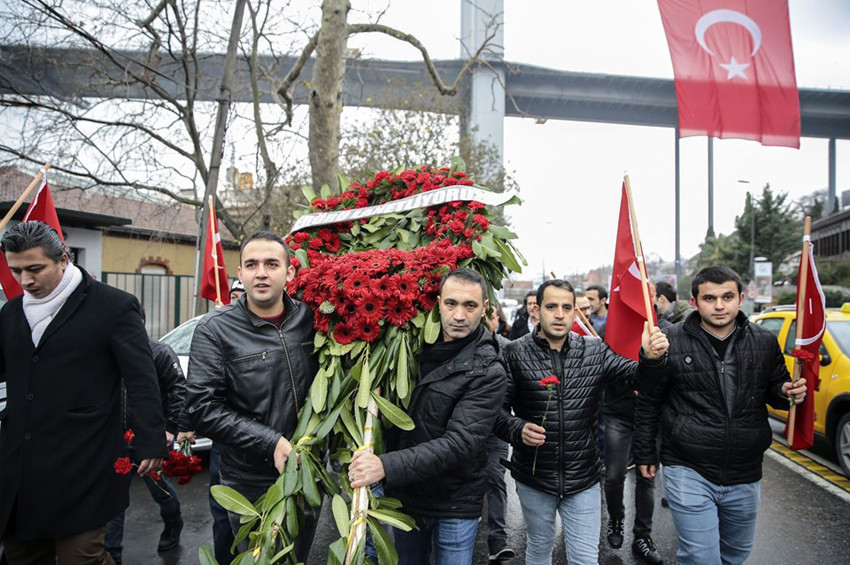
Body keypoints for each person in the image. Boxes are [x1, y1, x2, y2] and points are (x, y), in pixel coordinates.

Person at [0, 221, 166, 564]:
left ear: (63, 259)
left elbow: (141, 378)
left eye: (35, 268)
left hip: (84, 459)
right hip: (22, 463)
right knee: (22, 556)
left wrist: (151, 439)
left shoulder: (114, 307)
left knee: (82, 557)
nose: (25, 280)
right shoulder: (11, 312)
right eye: (15, 270)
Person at [635, 266, 807, 565]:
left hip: (746, 469)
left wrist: (788, 392)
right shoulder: (668, 340)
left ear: (740, 298)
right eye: (709, 298)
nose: (719, 305)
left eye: (727, 297)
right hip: (688, 466)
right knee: (701, 557)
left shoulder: (764, 340)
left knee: (735, 554)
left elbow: (774, 392)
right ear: (694, 302)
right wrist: (645, 452)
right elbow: (648, 397)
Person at [495, 279, 668, 565]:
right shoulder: (514, 353)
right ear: (537, 310)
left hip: (584, 479)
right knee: (539, 547)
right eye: (552, 307)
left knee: (585, 558)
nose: (560, 314)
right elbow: (496, 413)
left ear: (575, 311)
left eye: (566, 307)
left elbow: (639, 378)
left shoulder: (595, 350)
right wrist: (518, 428)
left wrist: (650, 358)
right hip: (534, 479)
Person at [348, 268, 508, 565]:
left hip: (455, 503)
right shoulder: (409, 347)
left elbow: (461, 443)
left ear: (484, 308)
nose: (459, 315)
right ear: (438, 303)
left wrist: (385, 465)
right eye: (451, 303)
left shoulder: (489, 370)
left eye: (470, 305)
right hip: (408, 496)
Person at [186, 231, 319, 562]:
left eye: (272, 263)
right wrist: (271, 441)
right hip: (248, 479)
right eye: (252, 264)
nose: (261, 272)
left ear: (290, 273)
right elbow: (202, 409)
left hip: (304, 471)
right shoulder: (214, 329)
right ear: (240, 273)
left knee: (296, 558)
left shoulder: (312, 319)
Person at [106, 310, 186, 563]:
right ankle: (113, 553)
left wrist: (170, 427)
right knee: (112, 500)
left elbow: (179, 390)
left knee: (160, 490)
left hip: (149, 440)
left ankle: (173, 523)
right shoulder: (108, 355)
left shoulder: (160, 352)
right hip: (114, 440)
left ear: (141, 321)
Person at [484, 303, 514, 561]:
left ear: (497, 321)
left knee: (495, 477)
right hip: (464, 429)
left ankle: (497, 538)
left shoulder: (506, 348)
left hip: (496, 428)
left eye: (489, 317)